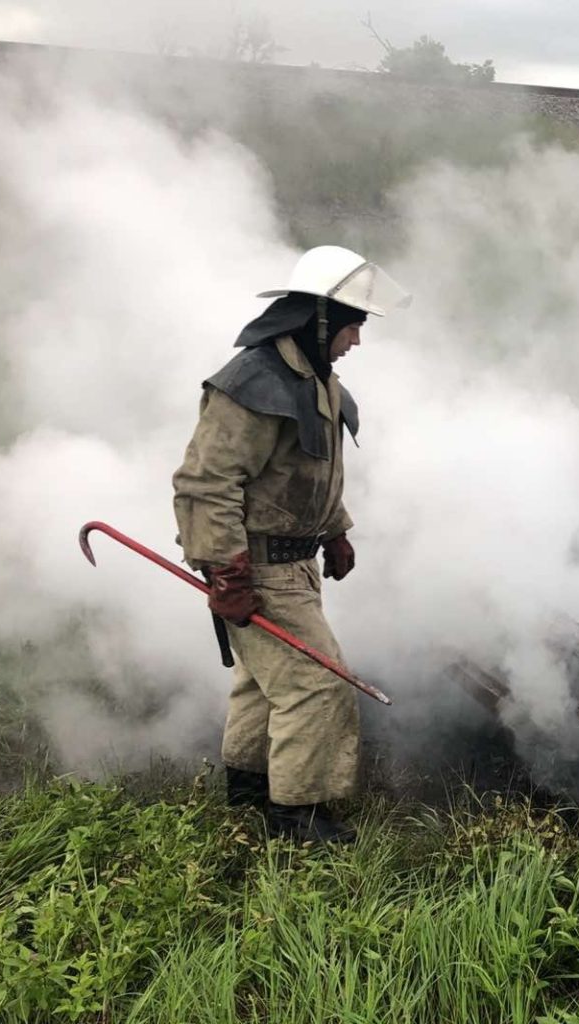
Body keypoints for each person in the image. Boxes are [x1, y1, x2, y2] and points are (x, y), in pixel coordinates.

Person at [173, 245, 408, 843]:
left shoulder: (315, 380)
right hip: (257, 566)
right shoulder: (250, 385)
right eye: (353, 324)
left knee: (264, 682)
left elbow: (308, 472)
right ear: (320, 319)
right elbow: (207, 482)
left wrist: (336, 530)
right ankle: (298, 817)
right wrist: (227, 573)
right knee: (315, 682)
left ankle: (251, 789)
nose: (357, 339)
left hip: (293, 565)